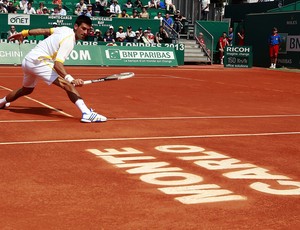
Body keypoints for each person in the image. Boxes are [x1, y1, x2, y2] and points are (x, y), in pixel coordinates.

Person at [0, 15, 107, 123]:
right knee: (68, 85)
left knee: (26, 90)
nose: (85, 32)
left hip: (28, 60)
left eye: (88, 30)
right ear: (76, 26)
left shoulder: (64, 29)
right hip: (39, 61)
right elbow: (57, 64)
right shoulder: (69, 40)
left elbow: (44, 30)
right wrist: (71, 80)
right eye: (83, 28)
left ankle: (1, 102)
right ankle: (86, 113)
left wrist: (23, 33)